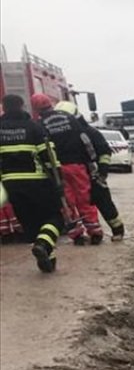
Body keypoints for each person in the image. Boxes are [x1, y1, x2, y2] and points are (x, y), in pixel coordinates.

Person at [0, 94, 64, 273]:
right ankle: (43, 244)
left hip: (11, 186)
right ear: (22, 106)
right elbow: (49, 156)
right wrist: (58, 179)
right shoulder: (34, 127)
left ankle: (47, 260)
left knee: (33, 225)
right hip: (38, 182)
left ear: (4, 108)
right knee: (55, 217)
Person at [32, 93, 97, 244]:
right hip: (77, 165)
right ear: (50, 103)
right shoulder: (69, 117)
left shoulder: (40, 124)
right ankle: (95, 231)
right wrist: (91, 160)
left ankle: (77, 235)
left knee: (66, 202)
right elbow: (85, 140)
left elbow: (42, 150)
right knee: (84, 197)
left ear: (35, 109)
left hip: (58, 169)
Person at [61, 102, 124, 241]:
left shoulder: (89, 132)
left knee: (103, 202)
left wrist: (102, 173)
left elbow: (105, 152)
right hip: (75, 175)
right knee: (70, 204)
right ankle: (80, 234)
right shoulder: (62, 135)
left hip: (93, 173)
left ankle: (117, 230)